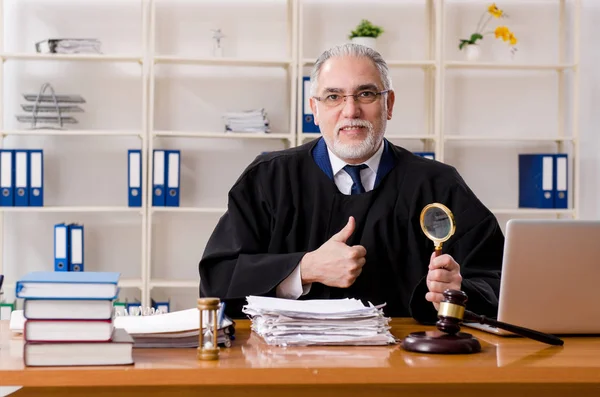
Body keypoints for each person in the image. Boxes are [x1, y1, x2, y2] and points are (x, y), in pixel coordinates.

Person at [199, 43, 504, 324]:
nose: (350, 111)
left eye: (366, 94)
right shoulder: (268, 179)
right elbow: (218, 280)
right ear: (314, 109)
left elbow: (499, 279)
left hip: (404, 365)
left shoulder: (438, 184)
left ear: (390, 104)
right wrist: (305, 269)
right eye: (333, 97)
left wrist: (457, 290)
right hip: (286, 364)